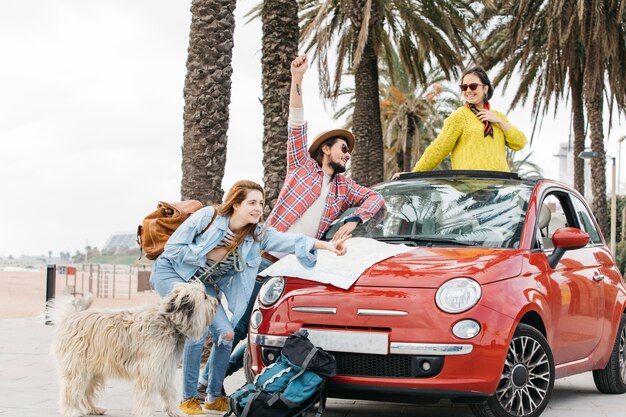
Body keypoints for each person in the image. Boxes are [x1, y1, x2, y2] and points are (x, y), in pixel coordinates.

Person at [196, 55, 384, 400]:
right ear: (326, 149)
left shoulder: (344, 189)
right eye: (343, 149)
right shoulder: (300, 167)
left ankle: (217, 378)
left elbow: (376, 200)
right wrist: (297, 79)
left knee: (270, 328)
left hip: (296, 267)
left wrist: (354, 219)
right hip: (262, 259)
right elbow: (295, 124)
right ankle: (208, 383)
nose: (347, 156)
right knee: (240, 325)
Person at [149, 180, 349, 414]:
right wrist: (208, 253)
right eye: (252, 202)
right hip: (174, 272)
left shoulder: (256, 234)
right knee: (197, 329)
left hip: (206, 285)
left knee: (226, 334)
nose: (258, 208)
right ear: (235, 204)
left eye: (261, 203)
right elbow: (173, 248)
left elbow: (290, 241)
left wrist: (328, 246)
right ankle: (189, 398)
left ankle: (213, 396)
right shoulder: (208, 217)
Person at [392, 66, 526, 179]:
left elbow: (519, 143)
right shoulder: (460, 116)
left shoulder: (498, 117)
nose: (468, 91)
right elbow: (439, 148)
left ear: (485, 89)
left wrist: (499, 121)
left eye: (473, 86)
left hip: (501, 188)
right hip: (472, 190)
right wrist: (414, 174)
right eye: (464, 87)